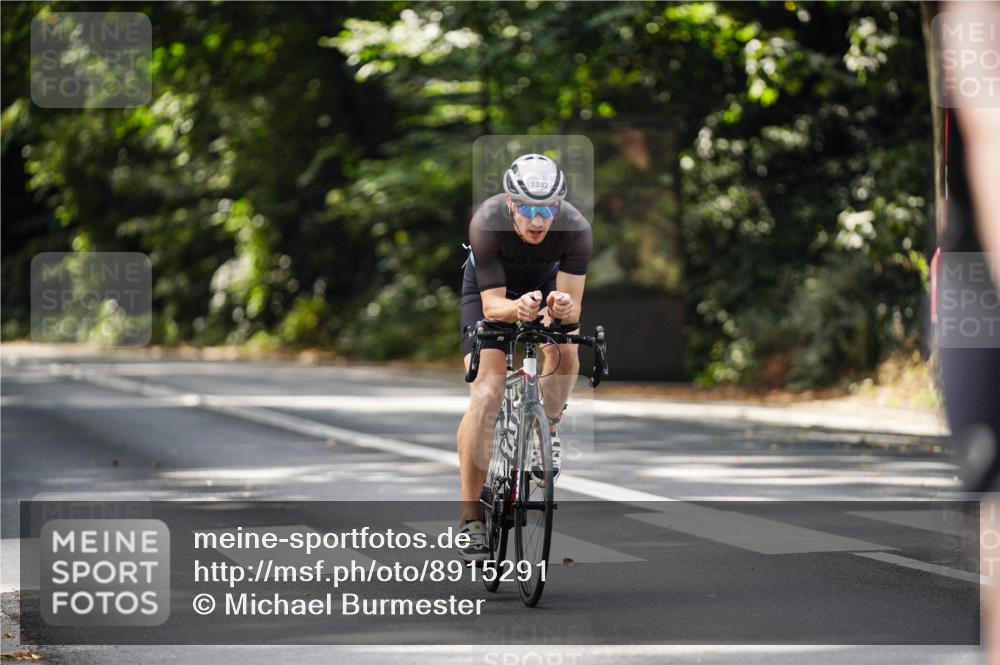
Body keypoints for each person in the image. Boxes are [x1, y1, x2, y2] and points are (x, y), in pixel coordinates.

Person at [455, 154, 593, 562]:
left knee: (566, 350)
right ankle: (471, 517)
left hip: (545, 286)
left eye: (548, 209)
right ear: (510, 203)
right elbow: (493, 306)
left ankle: (546, 428)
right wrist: (518, 309)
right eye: (528, 209)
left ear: (559, 206)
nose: (538, 220)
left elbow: (574, 305)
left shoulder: (576, 229)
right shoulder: (487, 222)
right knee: (487, 393)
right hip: (490, 294)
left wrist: (562, 308)